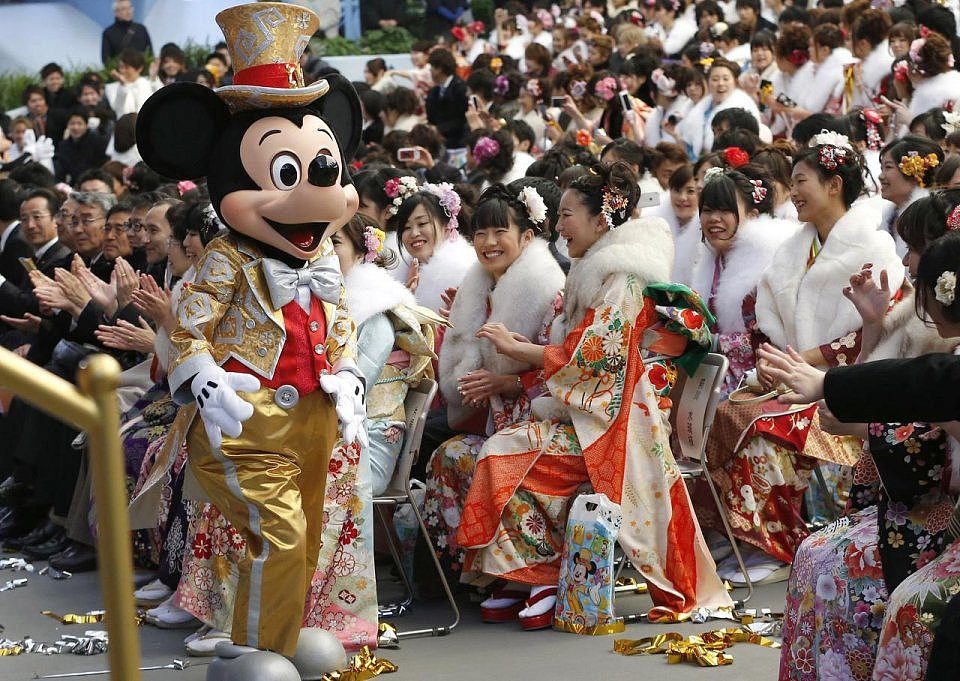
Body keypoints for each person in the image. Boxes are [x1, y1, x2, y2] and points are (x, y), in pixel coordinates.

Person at [455, 162, 732, 628]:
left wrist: (519, 348)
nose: (559, 226)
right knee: (504, 446)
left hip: (619, 420)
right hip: (597, 411)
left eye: (567, 215)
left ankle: (543, 572)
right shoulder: (597, 272)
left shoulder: (624, 278)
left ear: (601, 220)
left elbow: (596, 361)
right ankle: (527, 573)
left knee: (505, 451)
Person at [702, 133, 901, 585]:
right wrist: (771, 360)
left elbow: (879, 326)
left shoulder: (874, 247)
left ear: (834, 184)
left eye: (801, 180)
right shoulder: (794, 247)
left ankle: (778, 542)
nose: (792, 192)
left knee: (763, 427)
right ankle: (739, 536)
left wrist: (804, 360)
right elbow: (763, 319)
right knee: (730, 413)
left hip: (845, 385)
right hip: (791, 376)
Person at [778, 192, 960, 681]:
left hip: (936, 507)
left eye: (915, 250)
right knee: (816, 555)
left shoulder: (944, 341)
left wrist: (856, 419)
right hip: (907, 492)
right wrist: (875, 329)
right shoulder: (916, 318)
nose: (904, 261)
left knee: (848, 574)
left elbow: (927, 426)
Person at [423, 183, 565, 574]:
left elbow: (562, 366)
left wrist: (507, 384)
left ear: (528, 236)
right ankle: (465, 572)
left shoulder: (549, 290)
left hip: (536, 418)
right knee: (446, 456)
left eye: (500, 232)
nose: (489, 242)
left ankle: (519, 571)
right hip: (496, 416)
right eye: (481, 233)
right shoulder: (483, 284)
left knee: (470, 455)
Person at [687, 167, 799, 394]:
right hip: (711, 375)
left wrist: (714, 342)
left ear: (752, 216)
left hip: (757, 380)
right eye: (707, 210)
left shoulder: (769, 265)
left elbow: (774, 337)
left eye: (725, 210)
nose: (713, 218)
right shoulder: (710, 260)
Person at [878, 135, 944, 256]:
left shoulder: (929, 216)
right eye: (882, 168)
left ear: (914, 172)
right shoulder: (888, 215)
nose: (881, 176)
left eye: (888, 167)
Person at [425, 49, 469, 150]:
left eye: (432, 67)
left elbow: (462, 118)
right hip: (439, 143)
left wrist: (439, 129)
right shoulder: (434, 92)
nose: (430, 71)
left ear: (439, 68)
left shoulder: (460, 88)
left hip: (458, 143)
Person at [104, 49, 159, 117]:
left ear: (139, 68)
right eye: (121, 67)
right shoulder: (111, 87)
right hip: (125, 125)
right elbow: (116, 107)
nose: (122, 70)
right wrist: (123, 85)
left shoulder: (150, 83)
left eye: (126, 67)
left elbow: (161, 97)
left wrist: (154, 78)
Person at [102, 0, 152, 65]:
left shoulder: (141, 29)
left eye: (130, 8)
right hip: (121, 72)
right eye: (124, 9)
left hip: (142, 72)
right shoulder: (108, 33)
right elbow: (106, 59)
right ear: (116, 13)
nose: (128, 12)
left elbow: (150, 53)